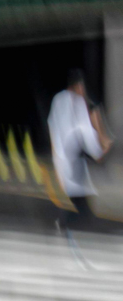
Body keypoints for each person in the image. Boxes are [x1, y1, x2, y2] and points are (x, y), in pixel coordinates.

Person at [50, 69, 110, 229]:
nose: (83, 91)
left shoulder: (58, 99)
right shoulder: (78, 103)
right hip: (73, 159)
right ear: (77, 86)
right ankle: (67, 223)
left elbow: (52, 124)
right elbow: (85, 130)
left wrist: (55, 154)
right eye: (82, 87)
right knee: (79, 196)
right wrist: (99, 152)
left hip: (61, 157)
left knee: (77, 195)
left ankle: (69, 222)